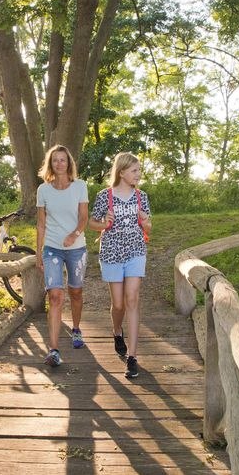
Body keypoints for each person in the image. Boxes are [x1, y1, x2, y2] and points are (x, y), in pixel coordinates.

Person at [88, 152, 151, 379]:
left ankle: (132, 357)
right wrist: (104, 223)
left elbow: (149, 228)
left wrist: (145, 221)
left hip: (135, 251)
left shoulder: (142, 197)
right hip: (112, 252)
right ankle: (117, 331)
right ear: (122, 172)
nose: (138, 174)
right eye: (134, 170)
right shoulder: (105, 196)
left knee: (132, 299)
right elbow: (92, 223)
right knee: (118, 304)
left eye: (139, 170)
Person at [36, 144, 89, 367]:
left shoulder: (80, 186)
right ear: (50, 164)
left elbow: (84, 217)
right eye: (55, 160)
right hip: (51, 248)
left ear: (69, 164)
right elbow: (40, 225)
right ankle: (54, 350)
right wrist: (39, 253)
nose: (59, 163)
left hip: (76, 248)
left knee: (75, 292)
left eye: (63, 160)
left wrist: (74, 234)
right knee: (55, 296)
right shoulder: (43, 190)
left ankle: (76, 329)